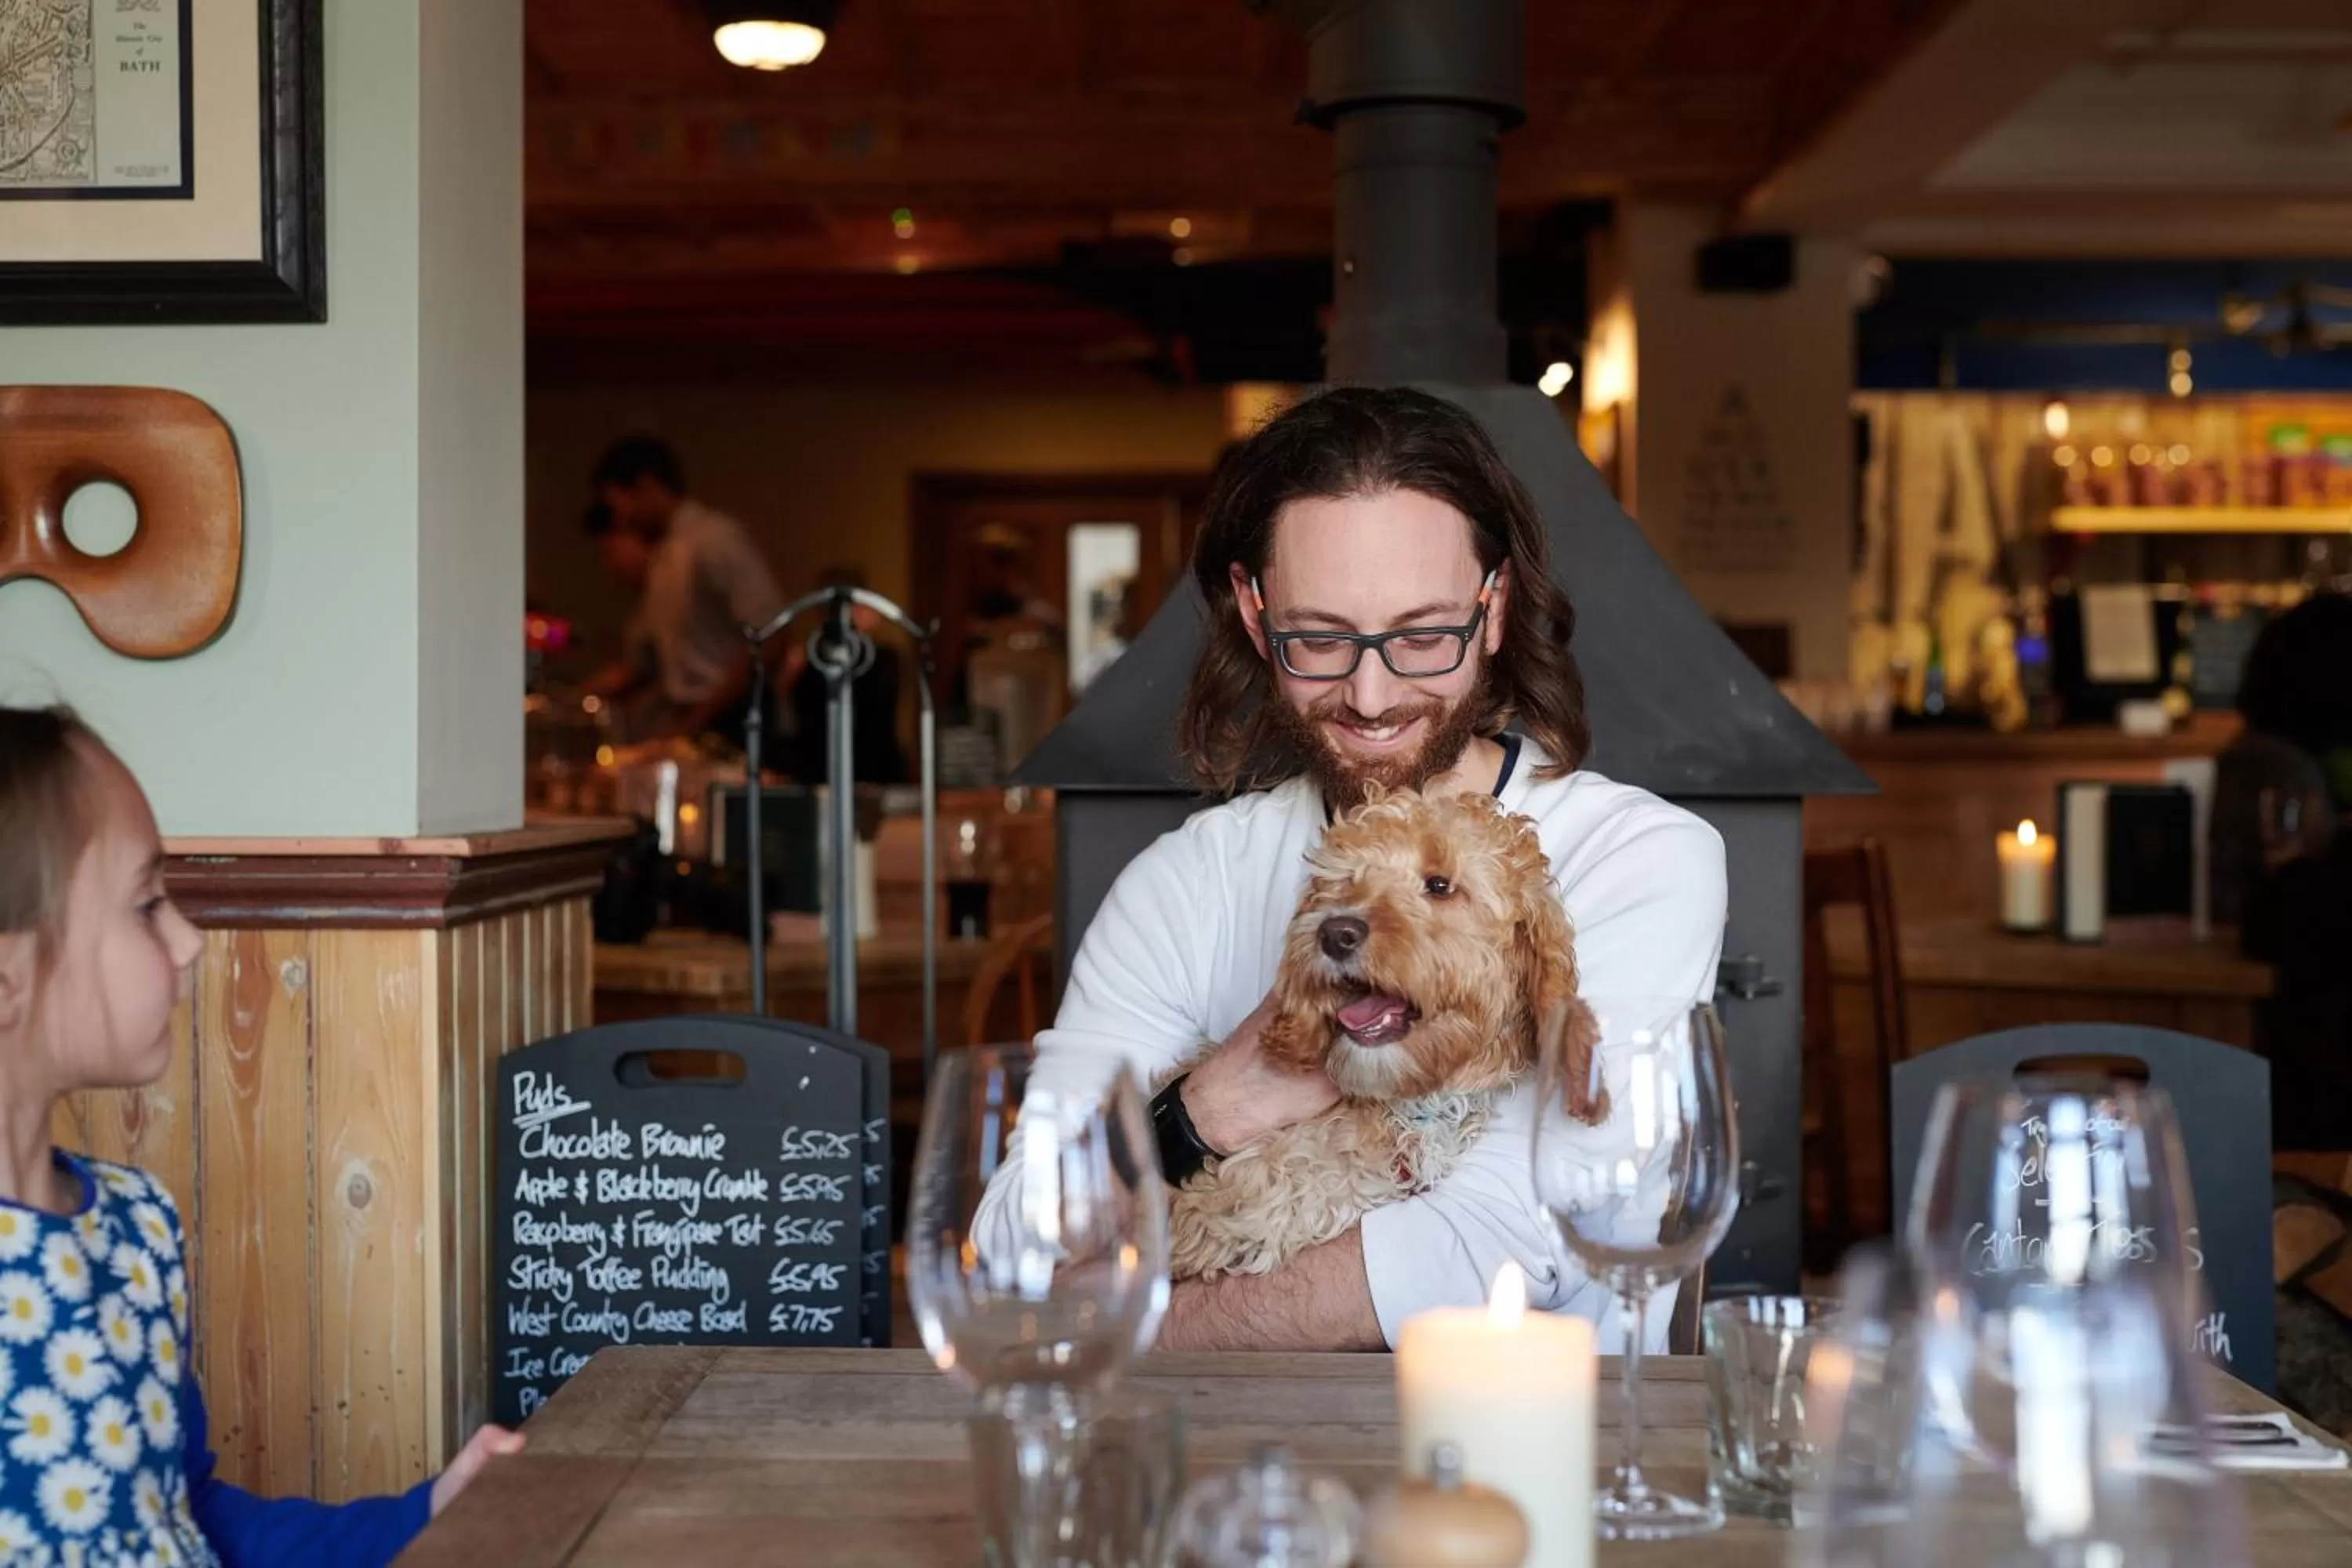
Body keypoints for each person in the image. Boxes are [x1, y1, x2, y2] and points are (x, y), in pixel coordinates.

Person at [1003, 387, 1726, 1352]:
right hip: (1219, 1466)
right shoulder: (1183, 883)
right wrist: (1219, 1100)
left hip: (1525, 1463)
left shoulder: (1640, 858)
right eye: (1322, 638)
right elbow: (1010, 1246)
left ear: (1495, 609)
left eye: (1423, 635)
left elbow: (1500, 1247)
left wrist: (1116, 1330)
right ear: (1258, 621)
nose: (1373, 693)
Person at [0, 705, 522, 1563]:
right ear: (10, 974)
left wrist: (427, 1512)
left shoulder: (134, 1228)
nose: (190, 939)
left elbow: (191, 1519)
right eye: (146, 904)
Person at [581, 437, 784, 749]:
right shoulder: (664, 557)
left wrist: (696, 720)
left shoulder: (714, 540)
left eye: (618, 504)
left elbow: (770, 635)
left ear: (646, 487)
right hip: (692, 715)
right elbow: (644, 664)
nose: (620, 518)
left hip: (733, 719)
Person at [782, 568, 909, 786]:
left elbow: (881, 714)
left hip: (873, 776)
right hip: (823, 776)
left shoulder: (882, 660)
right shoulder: (808, 665)